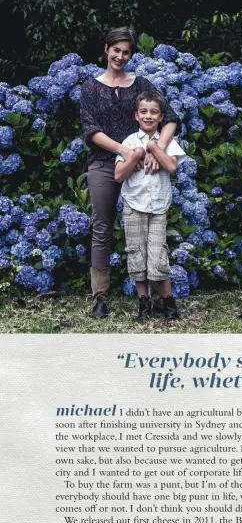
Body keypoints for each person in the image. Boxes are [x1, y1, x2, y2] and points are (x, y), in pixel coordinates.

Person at [80, 26, 178, 318]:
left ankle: (161, 301)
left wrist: (154, 148)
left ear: (131, 54)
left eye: (126, 52)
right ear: (106, 49)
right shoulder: (90, 88)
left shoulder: (142, 84)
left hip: (144, 165)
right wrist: (126, 152)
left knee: (150, 232)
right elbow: (91, 131)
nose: (120, 57)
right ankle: (99, 297)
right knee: (102, 227)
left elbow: (170, 118)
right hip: (105, 163)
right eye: (116, 50)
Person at [114, 90, 187, 322]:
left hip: (157, 207)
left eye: (153, 112)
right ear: (136, 115)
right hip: (133, 204)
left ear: (161, 117)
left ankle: (167, 302)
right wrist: (135, 156)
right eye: (143, 112)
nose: (148, 116)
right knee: (137, 254)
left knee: (158, 255)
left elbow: (172, 167)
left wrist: (155, 148)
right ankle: (143, 303)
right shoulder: (129, 142)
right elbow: (118, 175)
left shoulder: (169, 142)